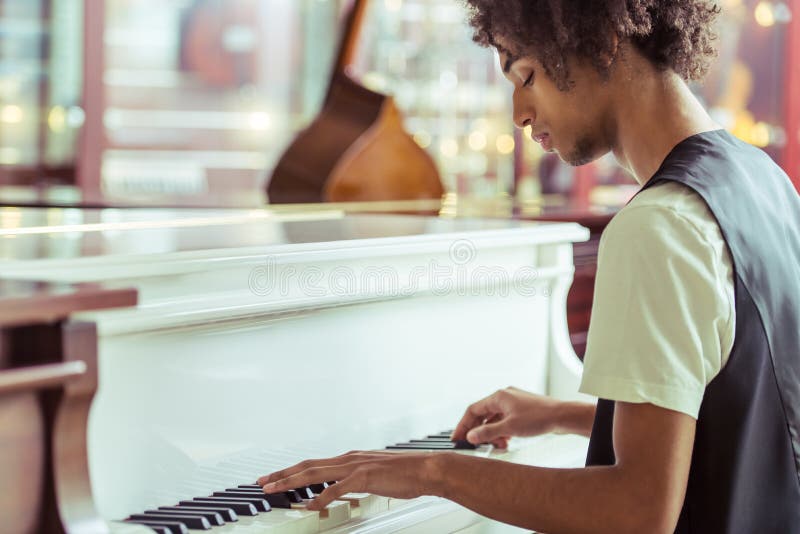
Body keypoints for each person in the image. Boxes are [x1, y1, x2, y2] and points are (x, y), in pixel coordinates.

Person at [258, 1, 800, 532]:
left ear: (602, 41)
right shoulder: (764, 182)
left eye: (527, 76)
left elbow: (638, 512)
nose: (518, 112)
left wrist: (432, 469)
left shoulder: (659, 226)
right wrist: (564, 415)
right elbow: (742, 428)